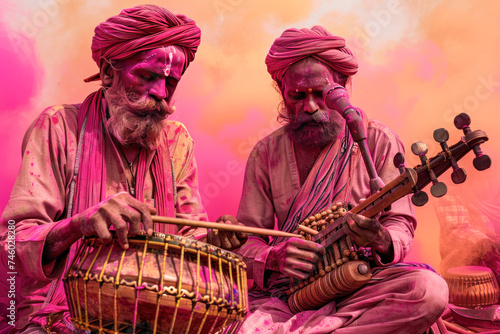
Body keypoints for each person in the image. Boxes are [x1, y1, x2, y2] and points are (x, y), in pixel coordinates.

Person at [0, 5, 244, 333]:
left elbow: (189, 235)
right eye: (147, 76)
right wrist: (77, 225)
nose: (160, 93)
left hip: (156, 305)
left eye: (171, 82)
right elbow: (11, 243)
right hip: (64, 309)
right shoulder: (59, 126)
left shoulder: (177, 140)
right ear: (107, 73)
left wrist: (215, 238)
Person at [235, 26, 449, 334]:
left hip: (361, 283)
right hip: (290, 293)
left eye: (320, 94)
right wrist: (273, 256)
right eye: (297, 96)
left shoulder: (378, 140)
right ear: (282, 92)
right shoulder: (265, 153)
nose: (309, 107)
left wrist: (381, 240)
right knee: (232, 318)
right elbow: (246, 238)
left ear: (342, 86)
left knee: (428, 290)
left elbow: (400, 223)